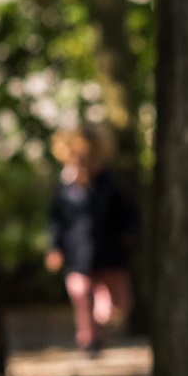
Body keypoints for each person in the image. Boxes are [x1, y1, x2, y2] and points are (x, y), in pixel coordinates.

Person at [45, 127, 137, 354]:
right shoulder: (65, 190)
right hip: (77, 256)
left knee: (117, 303)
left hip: (110, 255)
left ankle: (100, 326)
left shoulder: (112, 185)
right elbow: (57, 223)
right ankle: (89, 340)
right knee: (81, 296)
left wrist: (131, 233)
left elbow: (130, 214)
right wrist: (55, 248)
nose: (84, 164)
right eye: (78, 158)